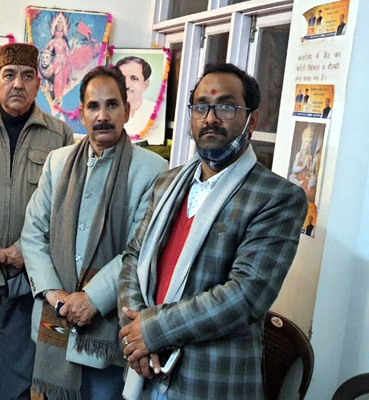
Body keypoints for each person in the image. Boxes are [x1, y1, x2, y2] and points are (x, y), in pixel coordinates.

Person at [117, 63, 308, 399]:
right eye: (201, 106)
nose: (210, 118)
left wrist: (153, 330)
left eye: (226, 107)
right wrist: (135, 332)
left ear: (253, 120)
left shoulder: (277, 198)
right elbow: (134, 256)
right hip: (146, 372)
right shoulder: (167, 183)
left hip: (210, 382)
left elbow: (245, 296)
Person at [21, 66, 167, 399]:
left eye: (112, 105)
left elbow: (139, 250)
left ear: (126, 110)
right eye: (93, 106)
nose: (102, 116)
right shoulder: (58, 162)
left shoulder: (152, 170)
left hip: (109, 330)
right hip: (55, 319)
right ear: (81, 114)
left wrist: (92, 299)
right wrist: (55, 296)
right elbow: (33, 234)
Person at [0, 41, 74, 400]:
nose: (17, 84)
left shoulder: (60, 136)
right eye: (9, 75)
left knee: (19, 381)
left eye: (27, 76)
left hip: (28, 279)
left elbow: (60, 204)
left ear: (38, 84)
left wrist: (26, 249)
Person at [115, 57, 158, 140]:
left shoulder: (156, 112)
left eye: (133, 78)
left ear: (145, 85)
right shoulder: (107, 112)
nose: (126, 84)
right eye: (121, 78)